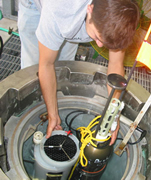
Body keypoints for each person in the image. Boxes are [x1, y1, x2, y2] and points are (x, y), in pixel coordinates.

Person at [18, 0, 140, 145]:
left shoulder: (120, 9)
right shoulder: (60, 11)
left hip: (70, 17)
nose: (100, 45)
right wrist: (53, 114)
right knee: (33, 70)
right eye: (97, 37)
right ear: (90, 9)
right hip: (36, 5)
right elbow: (46, 65)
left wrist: (113, 116)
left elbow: (115, 64)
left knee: (63, 67)